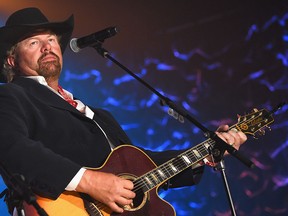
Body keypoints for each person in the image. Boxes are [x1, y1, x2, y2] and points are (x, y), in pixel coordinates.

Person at [0, 8, 247, 215]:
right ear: (11, 60)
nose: (47, 47)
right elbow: (11, 147)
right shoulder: (11, 95)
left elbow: (143, 166)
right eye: (34, 42)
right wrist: (92, 182)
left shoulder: (99, 115)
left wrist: (207, 152)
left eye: (51, 39)